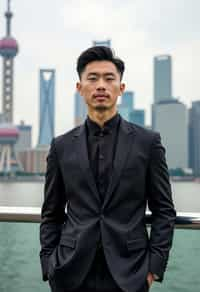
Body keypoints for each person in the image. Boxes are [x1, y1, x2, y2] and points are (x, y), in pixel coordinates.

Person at [39, 46, 176, 292]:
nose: (101, 85)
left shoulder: (148, 142)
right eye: (92, 78)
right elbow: (51, 213)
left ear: (121, 88)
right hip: (69, 272)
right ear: (79, 88)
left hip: (130, 274)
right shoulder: (60, 146)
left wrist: (153, 268)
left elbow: (164, 211)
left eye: (109, 78)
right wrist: (49, 264)